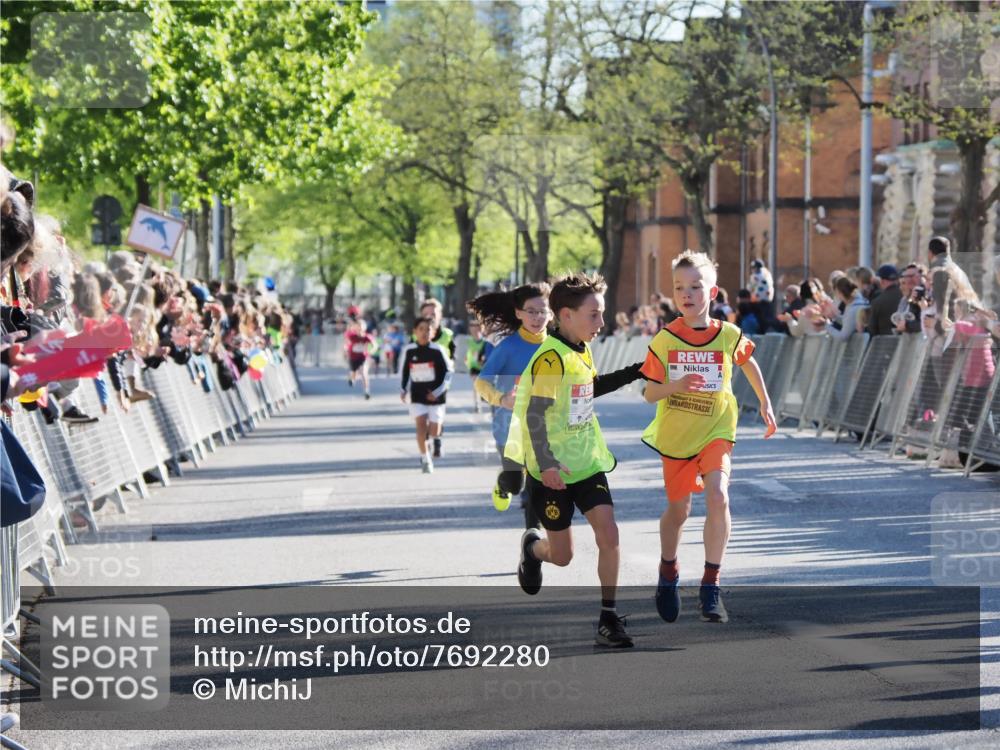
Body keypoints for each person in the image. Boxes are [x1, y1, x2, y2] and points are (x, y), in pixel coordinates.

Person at [504, 273, 645, 648]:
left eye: (602, 313)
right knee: (562, 556)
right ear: (566, 315)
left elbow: (589, 388)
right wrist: (548, 463)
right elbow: (535, 414)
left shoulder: (580, 348)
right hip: (552, 472)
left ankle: (608, 618)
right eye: (594, 314)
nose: (602, 322)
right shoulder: (551, 359)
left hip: (586, 463)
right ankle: (532, 549)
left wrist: (636, 371)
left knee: (609, 535)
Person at [640, 250, 776, 625]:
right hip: (677, 436)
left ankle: (711, 584)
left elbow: (748, 362)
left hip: (717, 429)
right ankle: (668, 569)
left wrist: (765, 402)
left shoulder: (728, 334)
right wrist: (676, 385)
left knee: (718, 496)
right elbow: (649, 393)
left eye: (695, 287)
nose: (686, 294)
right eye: (679, 287)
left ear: (712, 292)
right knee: (679, 511)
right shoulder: (665, 340)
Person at [467, 282, 551, 530]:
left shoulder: (555, 346)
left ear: (551, 313)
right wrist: (502, 399)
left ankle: (532, 539)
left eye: (542, 311)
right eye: (531, 311)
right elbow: (482, 382)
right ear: (518, 313)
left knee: (537, 486)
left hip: (545, 428)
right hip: (509, 427)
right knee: (516, 484)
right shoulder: (508, 347)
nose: (537, 317)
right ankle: (504, 483)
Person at [399, 317, 453, 472]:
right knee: (421, 426)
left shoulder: (438, 350)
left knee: (435, 430)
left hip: (436, 397)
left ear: (433, 332)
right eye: (421, 329)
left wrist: (438, 392)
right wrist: (403, 389)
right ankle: (425, 459)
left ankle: (436, 439)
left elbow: (449, 373)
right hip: (417, 395)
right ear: (415, 332)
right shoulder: (409, 350)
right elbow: (404, 372)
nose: (424, 332)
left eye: (428, 329)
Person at [868, 264, 904, 336]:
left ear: (882, 281)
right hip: (904, 340)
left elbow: (872, 329)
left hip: (883, 341)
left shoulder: (877, 301)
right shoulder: (905, 296)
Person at [343, 318, 374, 399]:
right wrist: (345, 351)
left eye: (361, 326)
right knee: (353, 372)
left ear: (364, 328)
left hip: (363, 357)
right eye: (358, 326)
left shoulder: (367, 337)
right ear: (355, 327)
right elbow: (346, 343)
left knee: (364, 372)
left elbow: (374, 345)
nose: (359, 328)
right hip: (353, 357)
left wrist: (371, 350)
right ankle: (352, 379)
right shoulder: (351, 335)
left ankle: (366, 391)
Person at [465, 320, 489, 413]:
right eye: (472, 326)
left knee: (483, 385)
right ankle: (477, 404)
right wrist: (467, 361)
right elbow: (466, 355)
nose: (475, 329)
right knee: (476, 383)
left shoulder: (485, 342)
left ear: (481, 328)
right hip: (473, 367)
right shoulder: (469, 341)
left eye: (477, 326)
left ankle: (483, 397)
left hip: (484, 367)